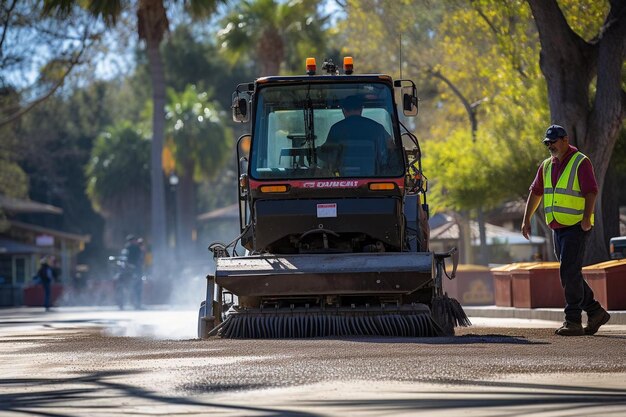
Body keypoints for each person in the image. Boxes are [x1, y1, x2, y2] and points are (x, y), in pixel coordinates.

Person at [521, 124, 610, 336]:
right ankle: (596, 312)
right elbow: (536, 193)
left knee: (568, 271)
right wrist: (526, 220)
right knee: (570, 272)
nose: (550, 145)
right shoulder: (546, 165)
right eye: (547, 143)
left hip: (577, 226)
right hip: (557, 227)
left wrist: (587, 218)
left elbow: (591, 192)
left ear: (565, 139)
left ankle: (573, 320)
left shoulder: (581, 161)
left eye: (553, 141)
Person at [319, 95, 397, 175]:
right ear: (361, 109)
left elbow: (327, 154)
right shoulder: (377, 128)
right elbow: (391, 149)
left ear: (344, 110)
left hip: (344, 178)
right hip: (374, 177)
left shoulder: (336, 129)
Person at [124, 234, 145, 309]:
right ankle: (136, 303)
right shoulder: (133, 247)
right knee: (136, 287)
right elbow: (141, 254)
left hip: (134, 270)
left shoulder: (128, 248)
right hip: (135, 270)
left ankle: (136, 303)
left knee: (136, 287)